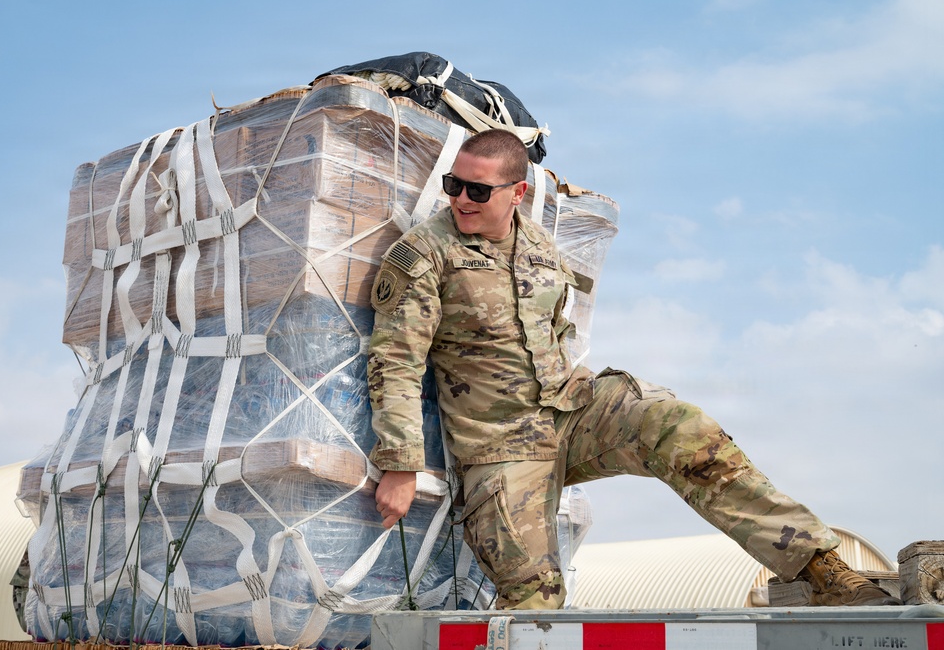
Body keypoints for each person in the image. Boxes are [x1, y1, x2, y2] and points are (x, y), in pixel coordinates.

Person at [366, 128, 899, 610]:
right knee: (535, 602)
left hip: (570, 414)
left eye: (477, 190)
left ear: (516, 193)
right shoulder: (426, 251)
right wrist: (400, 462)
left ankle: (825, 571)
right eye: (454, 185)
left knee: (680, 426)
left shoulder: (539, 248)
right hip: (501, 444)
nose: (461, 199)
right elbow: (397, 360)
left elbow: (554, 337)